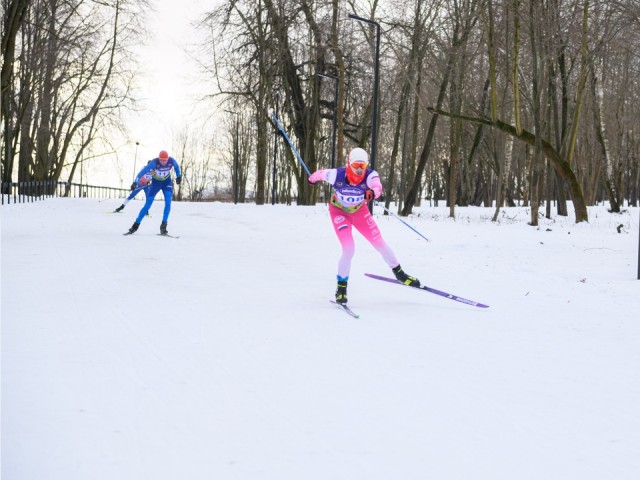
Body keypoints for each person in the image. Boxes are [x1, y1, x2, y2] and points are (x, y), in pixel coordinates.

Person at [308, 147, 420, 304]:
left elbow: (377, 186)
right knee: (349, 248)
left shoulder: (370, 175)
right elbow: (318, 174)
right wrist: (311, 180)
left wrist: (373, 193)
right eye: (356, 166)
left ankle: (400, 274)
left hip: (360, 212)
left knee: (379, 242)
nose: (360, 170)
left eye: (363, 166)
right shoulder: (336, 175)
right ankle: (341, 288)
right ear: (349, 164)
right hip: (339, 213)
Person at [126, 150, 182, 235]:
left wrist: (179, 176)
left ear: (168, 159)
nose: (163, 162)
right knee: (148, 204)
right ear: (159, 159)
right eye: (162, 160)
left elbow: (177, 167)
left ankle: (163, 226)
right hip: (155, 184)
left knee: (168, 203)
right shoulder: (154, 163)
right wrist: (135, 182)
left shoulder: (171, 161)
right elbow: (142, 172)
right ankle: (135, 225)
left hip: (166, 183)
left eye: (165, 160)